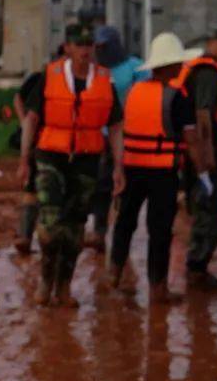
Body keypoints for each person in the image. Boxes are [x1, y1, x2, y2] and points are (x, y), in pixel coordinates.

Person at [19, 24, 125, 307]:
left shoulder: (105, 80)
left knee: (75, 226)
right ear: (68, 47)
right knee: (52, 224)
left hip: (87, 159)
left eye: (89, 45)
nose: (85, 51)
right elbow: (30, 119)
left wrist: (119, 166)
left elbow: (115, 126)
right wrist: (24, 159)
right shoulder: (49, 77)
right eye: (79, 45)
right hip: (51, 156)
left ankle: (64, 286)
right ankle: (45, 280)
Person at [110, 33, 205, 305]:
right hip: (162, 172)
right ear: (171, 66)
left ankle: (113, 277)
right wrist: (202, 173)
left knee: (124, 224)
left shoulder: (133, 92)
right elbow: (191, 140)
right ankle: (158, 289)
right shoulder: (177, 97)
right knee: (159, 231)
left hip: (132, 167)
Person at [172, 23, 217, 292]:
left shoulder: (210, 71)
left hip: (198, 154)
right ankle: (196, 271)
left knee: (205, 210)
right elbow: (202, 116)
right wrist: (207, 161)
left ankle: (197, 269)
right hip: (203, 156)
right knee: (210, 212)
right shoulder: (208, 74)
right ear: (212, 42)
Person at [84, 26, 149, 250]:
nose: (102, 51)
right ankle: (99, 231)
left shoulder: (136, 68)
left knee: (125, 185)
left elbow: (145, 98)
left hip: (129, 134)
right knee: (101, 183)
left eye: (105, 47)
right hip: (99, 134)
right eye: (98, 47)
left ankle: (122, 232)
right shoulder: (94, 70)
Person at [12, 68, 45, 254]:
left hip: (55, 142)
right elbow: (18, 98)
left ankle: (28, 235)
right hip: (40, 141)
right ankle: (27, 235)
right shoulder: (41, 78)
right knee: (32, 186)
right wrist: (25, 122)